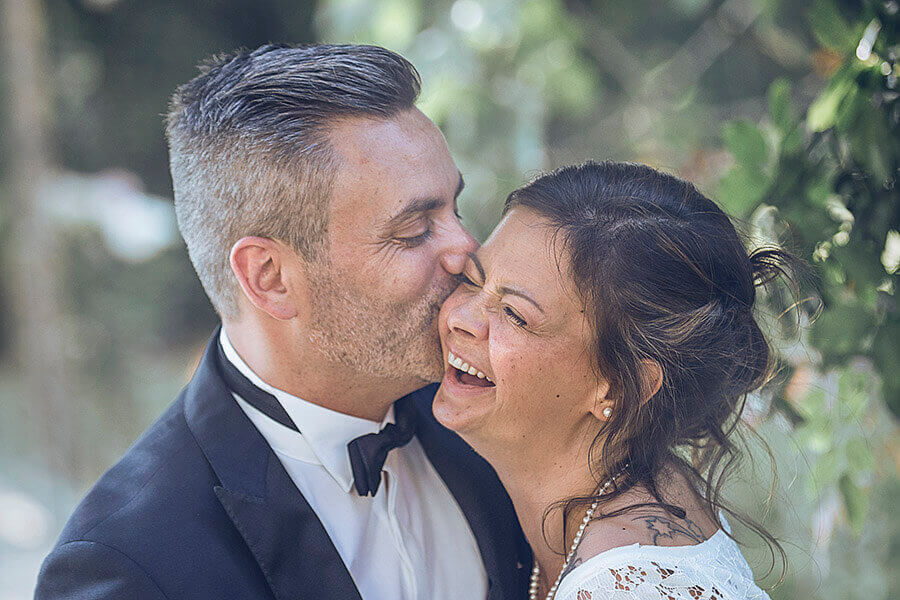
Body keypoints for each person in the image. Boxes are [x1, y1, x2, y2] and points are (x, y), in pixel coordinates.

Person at [36, 44, 530, 600]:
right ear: (269, 277)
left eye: (455, 210)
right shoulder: (133, 566)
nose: (467, 250)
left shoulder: (495, 413)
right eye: (414, 231)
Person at [434, 161, 792, 600]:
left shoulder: (627, 587)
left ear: (620, 389)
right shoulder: (644, 483)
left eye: (514, 314)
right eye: (473, 280)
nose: (460, 319)